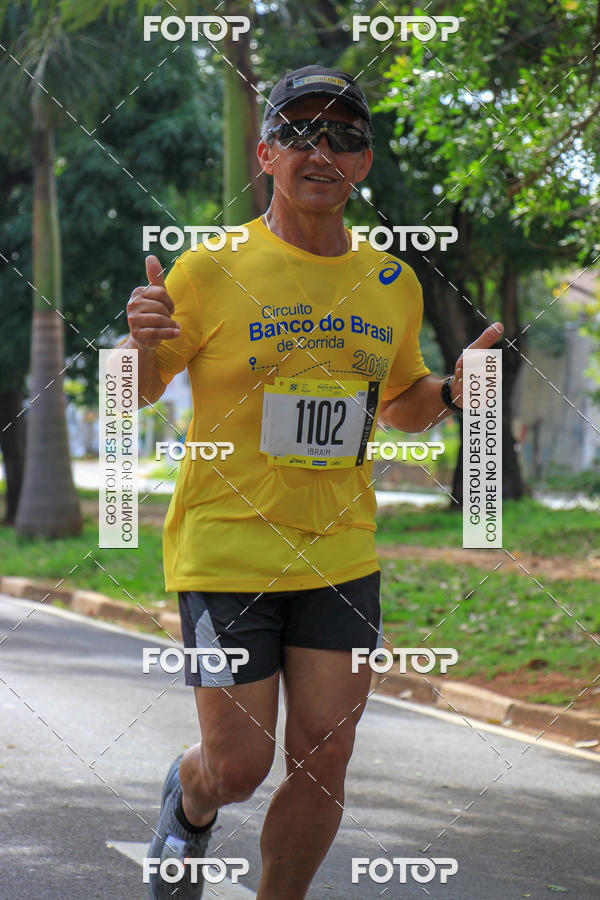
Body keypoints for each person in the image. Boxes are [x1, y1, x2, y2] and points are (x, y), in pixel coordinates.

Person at [122, 65, 503, 899]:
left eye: (344, 136)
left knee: (327, 759)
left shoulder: (393, 282)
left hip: (340, 553)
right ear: (267, 154)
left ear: (364, 163)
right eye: (299, 132)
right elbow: (139, 390)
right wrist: (136, 342)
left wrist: (448, 392)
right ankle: (188, 798)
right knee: (238, 766)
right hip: (226, 551)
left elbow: (396, 401)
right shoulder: (209, 268)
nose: (321, 149)